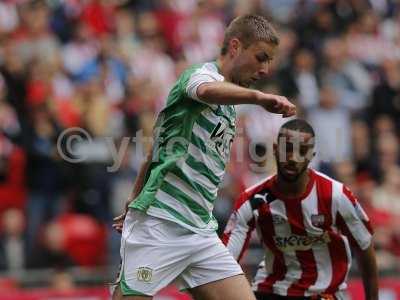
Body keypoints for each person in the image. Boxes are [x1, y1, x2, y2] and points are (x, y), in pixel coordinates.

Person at [111, 14, 296, 300]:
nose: (265, 69)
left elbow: (158, 144)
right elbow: (207, 91)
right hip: (160, 225)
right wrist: (259, 98)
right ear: (235, 47)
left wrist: (134, 195)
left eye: (269, 61)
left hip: (200, 231)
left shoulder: (231, 105)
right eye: (260, 57)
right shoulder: (201, 76)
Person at [223, 119, 378, 300]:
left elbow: (365, 250)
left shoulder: (336, 195)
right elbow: (224, 262)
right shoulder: (252, 200)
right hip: (272, 292)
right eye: (287, 148)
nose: (293, 158)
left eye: (302, 151)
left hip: (325, 294)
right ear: (275, 148)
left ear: (312, 155)